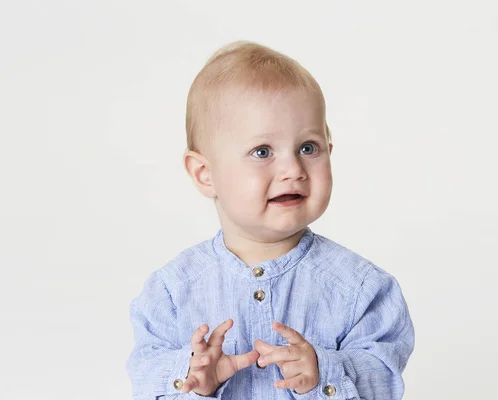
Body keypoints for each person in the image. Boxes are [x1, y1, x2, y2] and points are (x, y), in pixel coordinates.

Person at [125, 40, 415, 400]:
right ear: (204, 173)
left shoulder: (362, 290)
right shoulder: (171, 292)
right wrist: (191, 381)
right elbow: (145, 378)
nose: (293, 169)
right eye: (262, 152)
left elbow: (385, 382)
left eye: (308, 148)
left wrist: (323, 372)